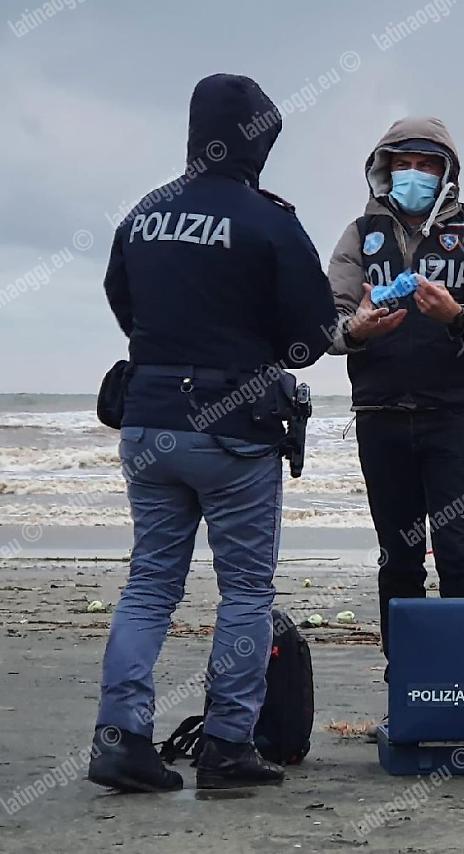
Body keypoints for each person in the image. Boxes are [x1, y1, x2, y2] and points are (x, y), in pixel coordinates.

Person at [89, 74, 337, 792]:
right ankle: (229, 746)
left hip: (150, 423)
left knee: (149, 587)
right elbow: (315, 333)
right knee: (246, 593)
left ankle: (120, 740)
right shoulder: (269, 221)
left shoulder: (144, 213)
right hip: (235, 431)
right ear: (261, 138)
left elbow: (122, 302)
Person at [326, 117, 464, 672]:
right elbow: (325, 327)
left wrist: (456, 315)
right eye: (403, 163)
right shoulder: (361, 233)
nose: (414, 174)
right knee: (399, 558)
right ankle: (406, 675)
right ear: (384, 169)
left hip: (453, 419)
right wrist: (356, 329)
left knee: (460, 554)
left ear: (447, 171)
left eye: (426, 164)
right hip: (380, 419)